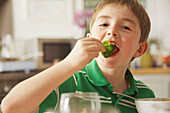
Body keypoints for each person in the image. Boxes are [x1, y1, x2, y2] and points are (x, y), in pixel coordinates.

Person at [1, 0, 155, 113]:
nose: (111, 32)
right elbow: (10, 108)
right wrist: (69, 63)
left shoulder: (145, 95)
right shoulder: (69, 82)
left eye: (126, 27)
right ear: (89, 39)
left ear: (140, 49)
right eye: (104, 24)